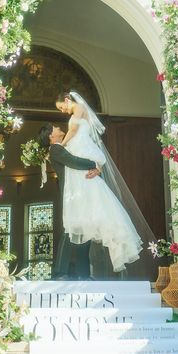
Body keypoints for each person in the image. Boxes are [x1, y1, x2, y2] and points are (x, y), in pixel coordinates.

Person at [54, 90, 144, 272]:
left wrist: (61, 145)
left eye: (61, 107)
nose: (62, 111)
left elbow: (73, 130)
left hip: (80, 150)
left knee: (93, 192)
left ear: (67, 100)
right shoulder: (76, 112)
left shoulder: (79, 107)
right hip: (80, 152)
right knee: (89, 195)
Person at [37, 123, 101, 280]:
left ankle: (84, 274)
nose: (59, 127)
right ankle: (60, 272)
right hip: (71, 195)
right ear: (51, 136)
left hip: (78, 193)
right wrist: (94, 163)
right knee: (69, 230)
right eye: (55, 128)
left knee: (83, 230)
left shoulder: (63, 147)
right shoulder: (55, 149)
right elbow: (73, 161)